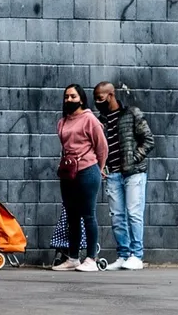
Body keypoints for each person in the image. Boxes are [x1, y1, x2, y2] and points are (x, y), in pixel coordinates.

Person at [95, 80, 155, 270]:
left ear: (111, 95)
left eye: (100, 98)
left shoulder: (131, 113)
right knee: (117, 217)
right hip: (112, 174)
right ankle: (123, 255)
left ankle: (136, 256)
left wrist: (133, 159)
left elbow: (149, 140)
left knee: (134, 213)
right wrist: (102, 165)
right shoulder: (101, 120)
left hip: (133, 173)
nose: (97, 102)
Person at [53, 84, 107, 273]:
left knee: (88, 215)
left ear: (82, 99)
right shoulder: (62, 121)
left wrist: (98, 169)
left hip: (87, 171)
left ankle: (91, 258)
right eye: (66, 96)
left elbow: (102, 147)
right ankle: (73, 258)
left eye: (73, 96)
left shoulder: (90, 119)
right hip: (68, 173)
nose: (69, 99)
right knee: (72, 216)